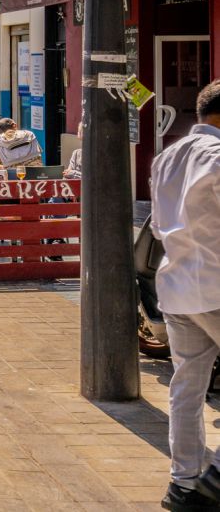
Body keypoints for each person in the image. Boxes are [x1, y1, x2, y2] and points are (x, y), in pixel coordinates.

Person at [150, 80, 220, 511]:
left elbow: (157, 227)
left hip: (176, 285)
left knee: (187, 388)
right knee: (187, 387)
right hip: (215, 285)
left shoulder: (166, 156)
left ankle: (185, 483)